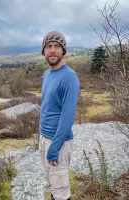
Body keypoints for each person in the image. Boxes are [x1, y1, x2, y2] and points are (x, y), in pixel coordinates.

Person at [39, 31, 80, 200]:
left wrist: (54, 148)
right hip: (44, 138)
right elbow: (47, 108)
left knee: (61, 194)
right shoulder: (47, 74)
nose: (53, 50)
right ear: (44, 52)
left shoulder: (69, 77)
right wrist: (41, 138)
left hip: (59, 143)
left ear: (63, 51)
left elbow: (67, 116)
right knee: (53, 186)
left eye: (57, 46)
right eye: (49, 46)